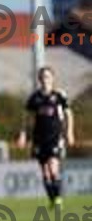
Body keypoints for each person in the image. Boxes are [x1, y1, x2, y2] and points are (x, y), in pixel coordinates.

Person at [18, 66, 75, 206]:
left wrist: (69, 132)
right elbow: (26, 117)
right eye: (43, 77)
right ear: (39, 79)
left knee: (53, 168)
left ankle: (58, 199)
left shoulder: (59, 95)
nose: (45, 79)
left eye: (48, 76)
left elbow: (69, 114)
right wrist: (23, 134)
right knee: (45, 172)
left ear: (52, 78)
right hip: (39, 138)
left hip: (55, 137)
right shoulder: (35, 97)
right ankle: (53, 199)